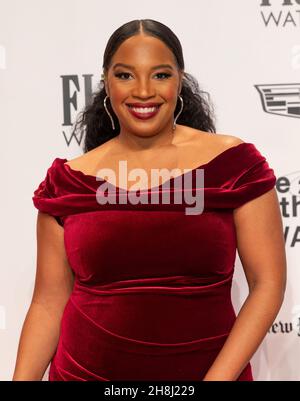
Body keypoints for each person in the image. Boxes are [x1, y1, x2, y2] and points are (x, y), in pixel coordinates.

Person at [13, 19, 286, 381]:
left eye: (160, 75)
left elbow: (268, 285)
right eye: (125, 75)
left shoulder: (234, 166)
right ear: (106, 82)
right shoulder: (68, 182)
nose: (143, 91)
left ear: (180, 80)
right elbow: (47, 305)